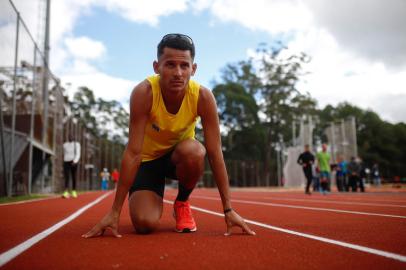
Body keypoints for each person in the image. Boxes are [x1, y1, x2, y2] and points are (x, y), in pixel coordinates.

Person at [83, 33, 255, 237]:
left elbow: (215, 152)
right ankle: (150, 194)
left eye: (184, 66)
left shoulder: (203, 97)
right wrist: (115, 212)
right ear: (157, 67)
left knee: (194, 150)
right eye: (170, 65)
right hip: (147, 161)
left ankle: (182, 201)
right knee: (144, 224)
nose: (178, 73)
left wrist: (228, 209)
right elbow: (133, 152)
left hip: (179, 158)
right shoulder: (144, 93)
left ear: (194, 68)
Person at [62, 134, 81, 198]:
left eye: (72, 136)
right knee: (66, 176)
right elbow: (64, 153)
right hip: (66, 161)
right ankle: (66, 192)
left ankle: (74, 191)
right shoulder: (65, 145)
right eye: (69, 136)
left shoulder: (77, 144)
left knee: (73, 176)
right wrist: (64, 160)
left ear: (74, 137)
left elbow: (78, 153)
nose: (70, 137)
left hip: (73, 162)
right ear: (68, 137)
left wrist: (75, 161)